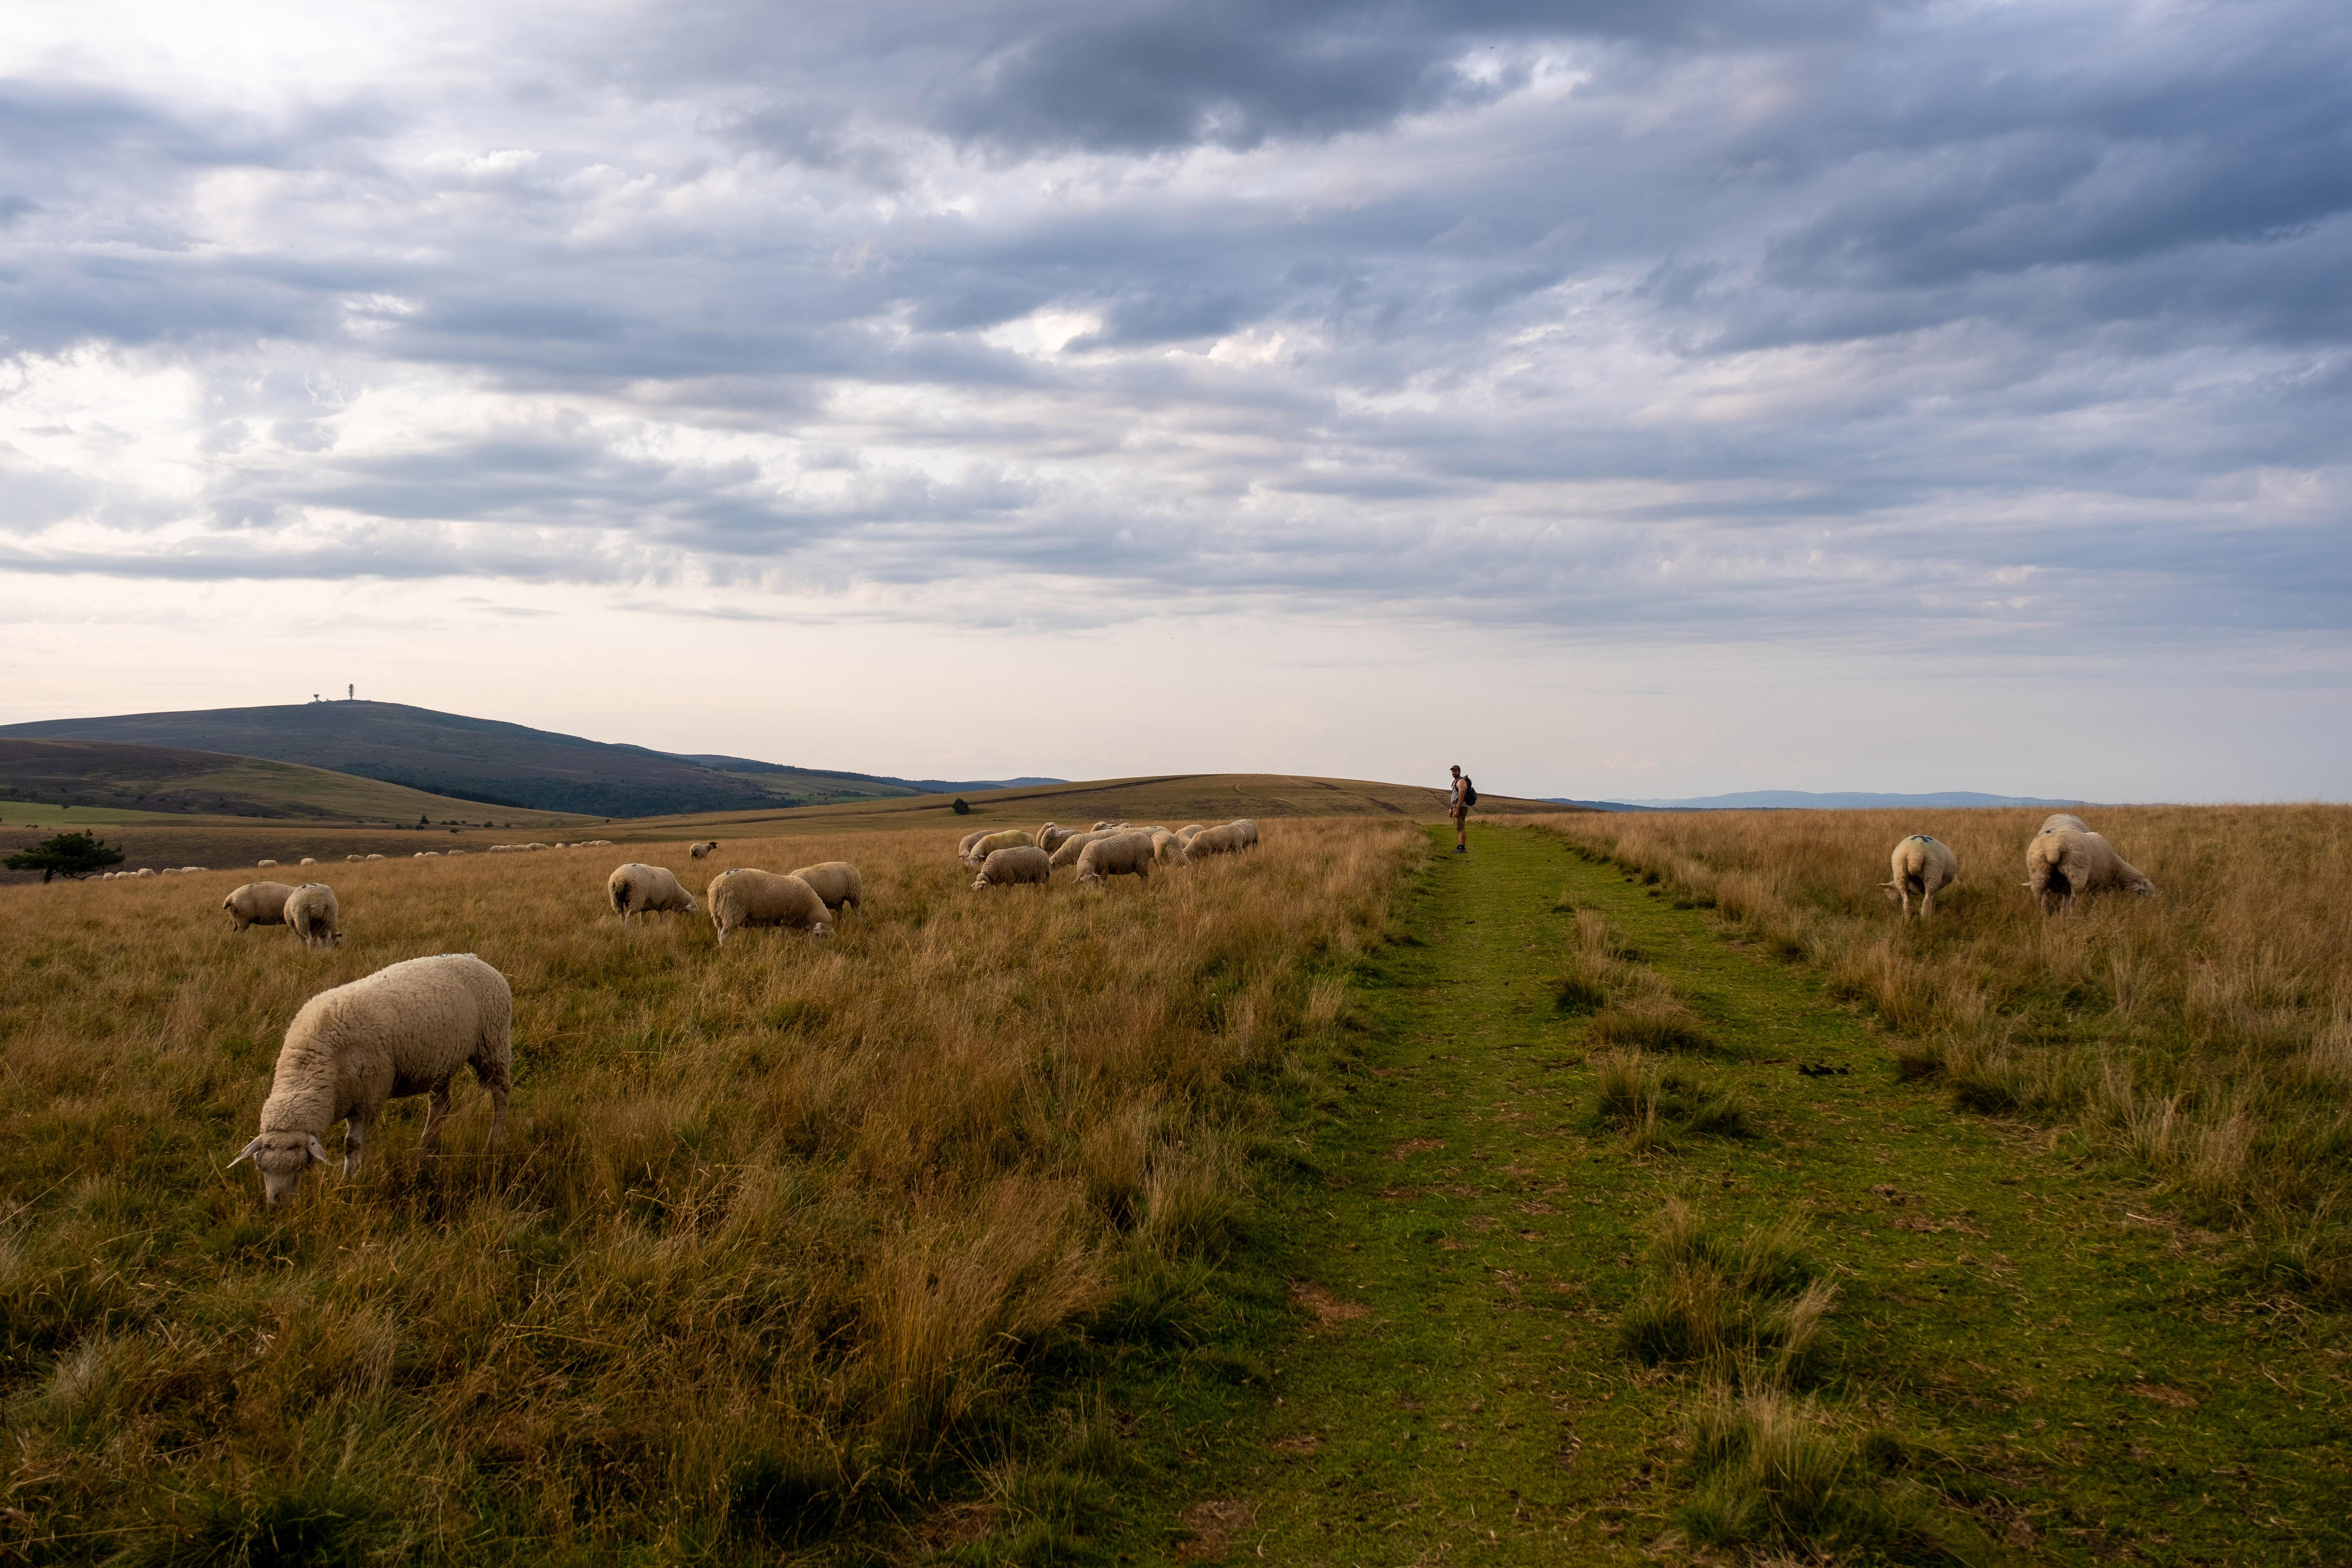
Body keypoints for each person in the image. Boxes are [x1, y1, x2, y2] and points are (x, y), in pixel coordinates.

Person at [1447, 764, 1472, 853]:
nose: (1454, 773)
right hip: (1456, 807)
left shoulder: (1461, 782)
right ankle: (1459, 846)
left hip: (1461, 807)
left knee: (1461, 828)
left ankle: (1462, 848)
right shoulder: (1455, 782)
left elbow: (1461, 797)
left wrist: (1457, 810)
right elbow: (1454, 798)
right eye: (1453, 771)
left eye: (1456, 771)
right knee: (1458, 828)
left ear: (1460, 772)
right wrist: (1451, 810)